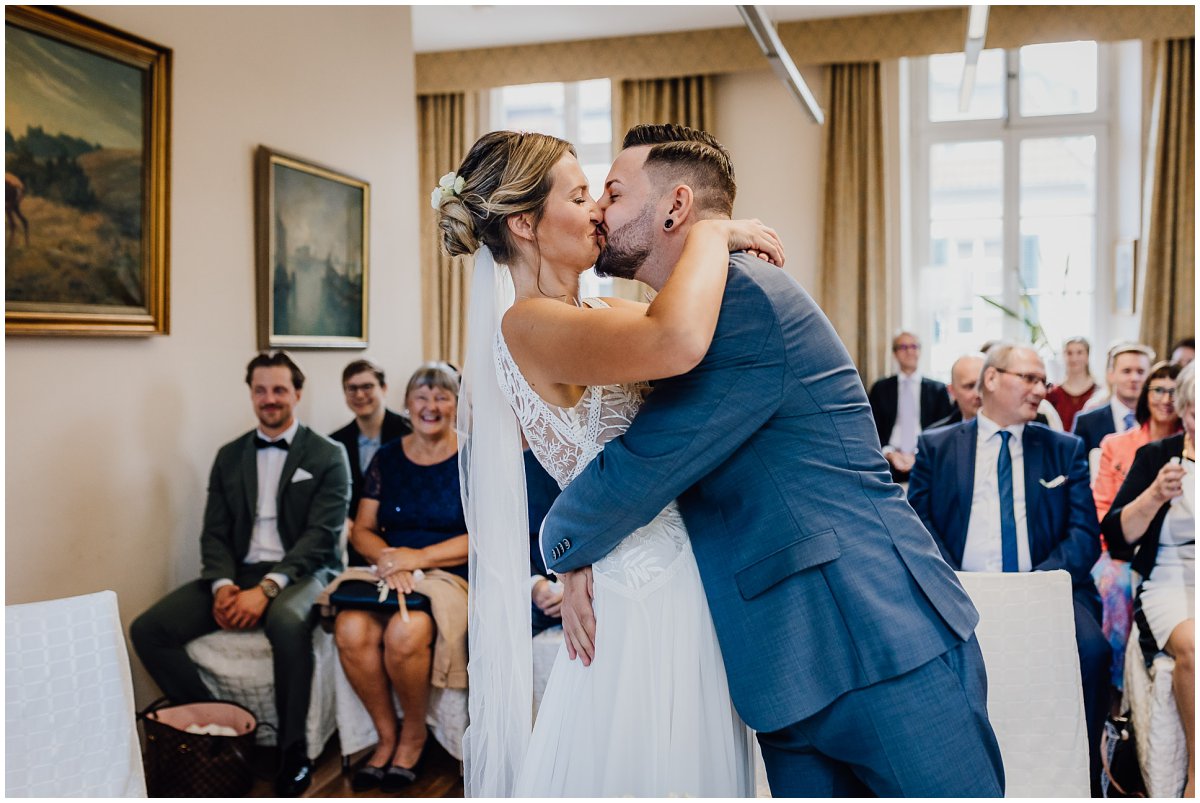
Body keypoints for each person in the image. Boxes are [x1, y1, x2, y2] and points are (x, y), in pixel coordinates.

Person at [528, 124, 1003, 796]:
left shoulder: (741, 300)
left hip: (875, 640)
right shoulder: (677, 318)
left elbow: (648, 462)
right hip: (787, 666)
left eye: (612, 191)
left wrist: (562, 543)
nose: (600, 210)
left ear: (675, 207)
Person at [439, 128, 785, 797]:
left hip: (665, 571)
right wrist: (713, 234)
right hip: (642, 591)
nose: (599, 207)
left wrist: (574, 550)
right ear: (525, 223)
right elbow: (678, 339)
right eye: (579, 194)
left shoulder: (591, 310)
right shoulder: (527, 323)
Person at [130, 352, 350, 797]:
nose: (270, 399)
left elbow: (320, 538)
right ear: (251, 394)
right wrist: (224, 585)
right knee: (148, 630)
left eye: (279, 390)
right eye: (260, 390)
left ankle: (294, 754)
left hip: (305, 570)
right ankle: (225, 730)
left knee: (286, 622)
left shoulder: (329, 455)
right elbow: (214, 532)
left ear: (298, 394)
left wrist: (267, 590)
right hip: (238, 571)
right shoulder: (229, 456)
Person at [907, 343, 1109, 795]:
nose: (1041, 389)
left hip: (1047, 586)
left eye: (1044, 381)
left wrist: (1037, 585)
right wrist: (953, 582)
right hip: (959, 587)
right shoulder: (937, 447)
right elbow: (916, 527)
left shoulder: (1064, 449)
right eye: (1029, 378)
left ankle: (1085, 777)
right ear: (992, 378)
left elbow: (1082, 535)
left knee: (1093, 653)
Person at [1102, 360, 1195, 798]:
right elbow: (1118, 538)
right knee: (1194, 644)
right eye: (1193, 411)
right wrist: (1156, 494)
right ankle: (1196, 776)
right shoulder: (1158, 457)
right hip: (1169, 578)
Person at [1091, 360, 1182, 698]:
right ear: (1147, 395)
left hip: (1169, 546)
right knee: (1112, 584)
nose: (1166, 399)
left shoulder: (1186, 446)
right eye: (1158, 390)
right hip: (1119, 545)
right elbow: (1102, 506)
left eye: (1174, 392)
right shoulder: (1118, 444)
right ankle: (1116, 686)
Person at [329, 359, 411, 562]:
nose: (359, 395)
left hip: (401, 536)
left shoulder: (410, 432)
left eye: (367, 387)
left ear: (384, 388)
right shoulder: (334, 443)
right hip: (350, 541)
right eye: (352, 388)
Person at [867, 331, 953, 480]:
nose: (909, 351)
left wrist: (919, 454)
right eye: (903, 347)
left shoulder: (938, 390)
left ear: (920, 351)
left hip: (926, 458)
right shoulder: (880, 388)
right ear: (894, 353)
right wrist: (889, 453)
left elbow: (944, 429)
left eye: (913, 346)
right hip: (887, 458)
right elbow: (871, 426)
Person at [1073, 343, 1155, 452]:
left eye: (1140, 372)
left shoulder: (1158, 421)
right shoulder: (1087, 422)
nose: (1134, 378)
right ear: (1111, 375)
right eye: (1126, 371)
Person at [525, 447, 563, 635]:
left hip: (589, 577)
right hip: (528, 583)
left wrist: (570, 584)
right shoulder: (492, 462)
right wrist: (534, 585)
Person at [1046, 336, 1098, 432]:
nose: (1074, 358)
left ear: (1087, 356)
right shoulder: (1052, 394)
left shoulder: (1099, 392)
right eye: (1069, 353)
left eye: (1079, 352)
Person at [928, 352, 985, 429]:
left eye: (984, 385)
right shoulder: (936, 438)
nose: (979, 394)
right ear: (952, 391)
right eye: (970, 386)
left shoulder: (1006, 431)